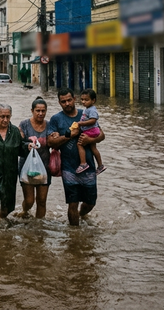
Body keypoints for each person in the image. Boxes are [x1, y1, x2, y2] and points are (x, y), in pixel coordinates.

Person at [47, 88, 106, 226]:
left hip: (89, 167)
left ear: (74, 99)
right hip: (68, 168)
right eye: (63, 102)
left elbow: (101, 135)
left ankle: (82, 215)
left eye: (69, 100)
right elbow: (50, 142)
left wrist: (89, 141)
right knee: (72, 203)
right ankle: (74, 235)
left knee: (90, 202)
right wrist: (69, 135)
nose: (67, 103)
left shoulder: (85, 113)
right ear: (59, 103)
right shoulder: (56, 119)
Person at [17, 97, 52, 219]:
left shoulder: (49, 125)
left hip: (44, 167)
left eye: (43, 111)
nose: (40, 113)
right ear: (32, 111)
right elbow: (18, 142)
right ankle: (24, 211)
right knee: (29, 201)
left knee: (42, 200)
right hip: (27, 168)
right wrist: (27, 142)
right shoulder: (24, 124)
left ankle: (39, 227)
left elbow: (54, 140)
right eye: (38, 110)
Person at [74, 88, 105, 174]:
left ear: (93, 100)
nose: (83, 102)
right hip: (92, 130)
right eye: (82, 99)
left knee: (79, 144)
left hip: (91, 130)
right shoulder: (87, 109)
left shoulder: (92, 110)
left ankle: (83, 163)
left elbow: (93, 120)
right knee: (94, 148)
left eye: (86, 100)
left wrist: (80, 124)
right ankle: (100, 165)